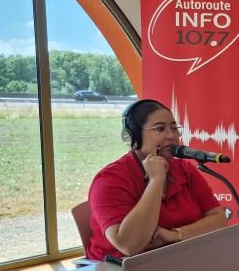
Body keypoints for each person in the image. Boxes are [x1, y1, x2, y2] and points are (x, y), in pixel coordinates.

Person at [87, 99, 227, 260]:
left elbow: (219, 219)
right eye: (160, 129)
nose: (171, 136)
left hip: (174, 259)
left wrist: (175, 235)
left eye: (174, 128)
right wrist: (156, 180)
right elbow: (129, 245)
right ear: (133, 136)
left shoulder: (184, 169)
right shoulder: (109, 180)